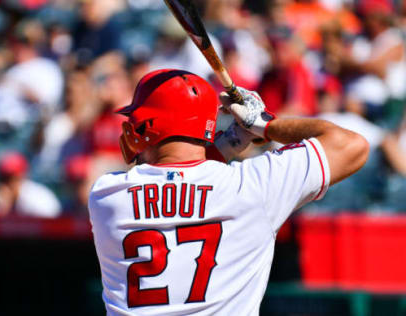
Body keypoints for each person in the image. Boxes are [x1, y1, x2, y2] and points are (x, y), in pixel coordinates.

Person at [88, 69, 368, 315]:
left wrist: (231, 142)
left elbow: (180, 174)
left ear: (149, 126)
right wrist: (262, 124)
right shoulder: (252, 187)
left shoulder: (107, 195)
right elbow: (352, 146)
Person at [0, 152, 61, 218]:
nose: (5, 184)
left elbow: (51, 225)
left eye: (9, 179)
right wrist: (2, 208)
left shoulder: (36, 200)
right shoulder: (4, 201)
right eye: (2, 179)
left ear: (22, 177)